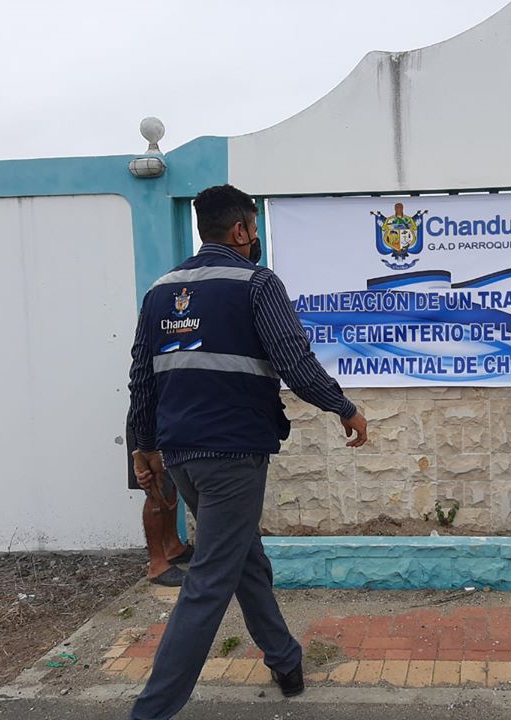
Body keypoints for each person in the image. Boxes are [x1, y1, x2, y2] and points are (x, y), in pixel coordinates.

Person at [127, 184, 368, 719]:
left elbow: (142, 379)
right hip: (232, 455)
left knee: (245, 561)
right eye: (253, 227)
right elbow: (295, 363)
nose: (255, 237)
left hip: (181, 455)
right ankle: (151, 711)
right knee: (209, 581)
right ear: (240, 230)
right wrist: (344, 408)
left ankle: (285, 661)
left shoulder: (161, 291)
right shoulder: (257, 283)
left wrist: (144, 446)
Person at [126, 419, 191, 587]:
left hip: (165, 424)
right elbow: (141, 406)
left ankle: (173, 547)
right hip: (146, 430)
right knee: (155, 489)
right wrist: (146, 447)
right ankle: (157, 564)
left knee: (170, 483)